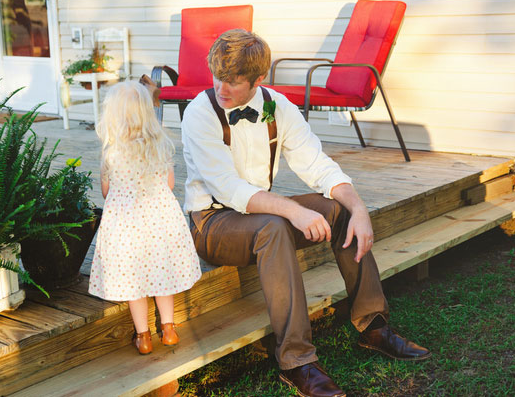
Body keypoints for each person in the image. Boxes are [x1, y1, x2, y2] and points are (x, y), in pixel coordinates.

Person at [181, 29, 430, 396]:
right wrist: (293, 212)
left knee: (337, 209)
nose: (222, 89)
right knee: (274, 227)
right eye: (218, 77)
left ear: (258, 80)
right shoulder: (200, 113)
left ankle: (374, 326)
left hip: (261, 213)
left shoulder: (278, 106)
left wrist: (358, 208)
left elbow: (318, 165)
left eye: (233, 82)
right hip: (213, 224)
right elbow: (229, 189)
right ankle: (296, 361)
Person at [89, 81, 202, 355]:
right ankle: (169, 329)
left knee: (134, 284)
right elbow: (170, 183)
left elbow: (107, 192)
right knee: (163, 278)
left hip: (126, 228)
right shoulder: (161, 147)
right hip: (160, 223)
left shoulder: (111, 153)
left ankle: (143, 337)